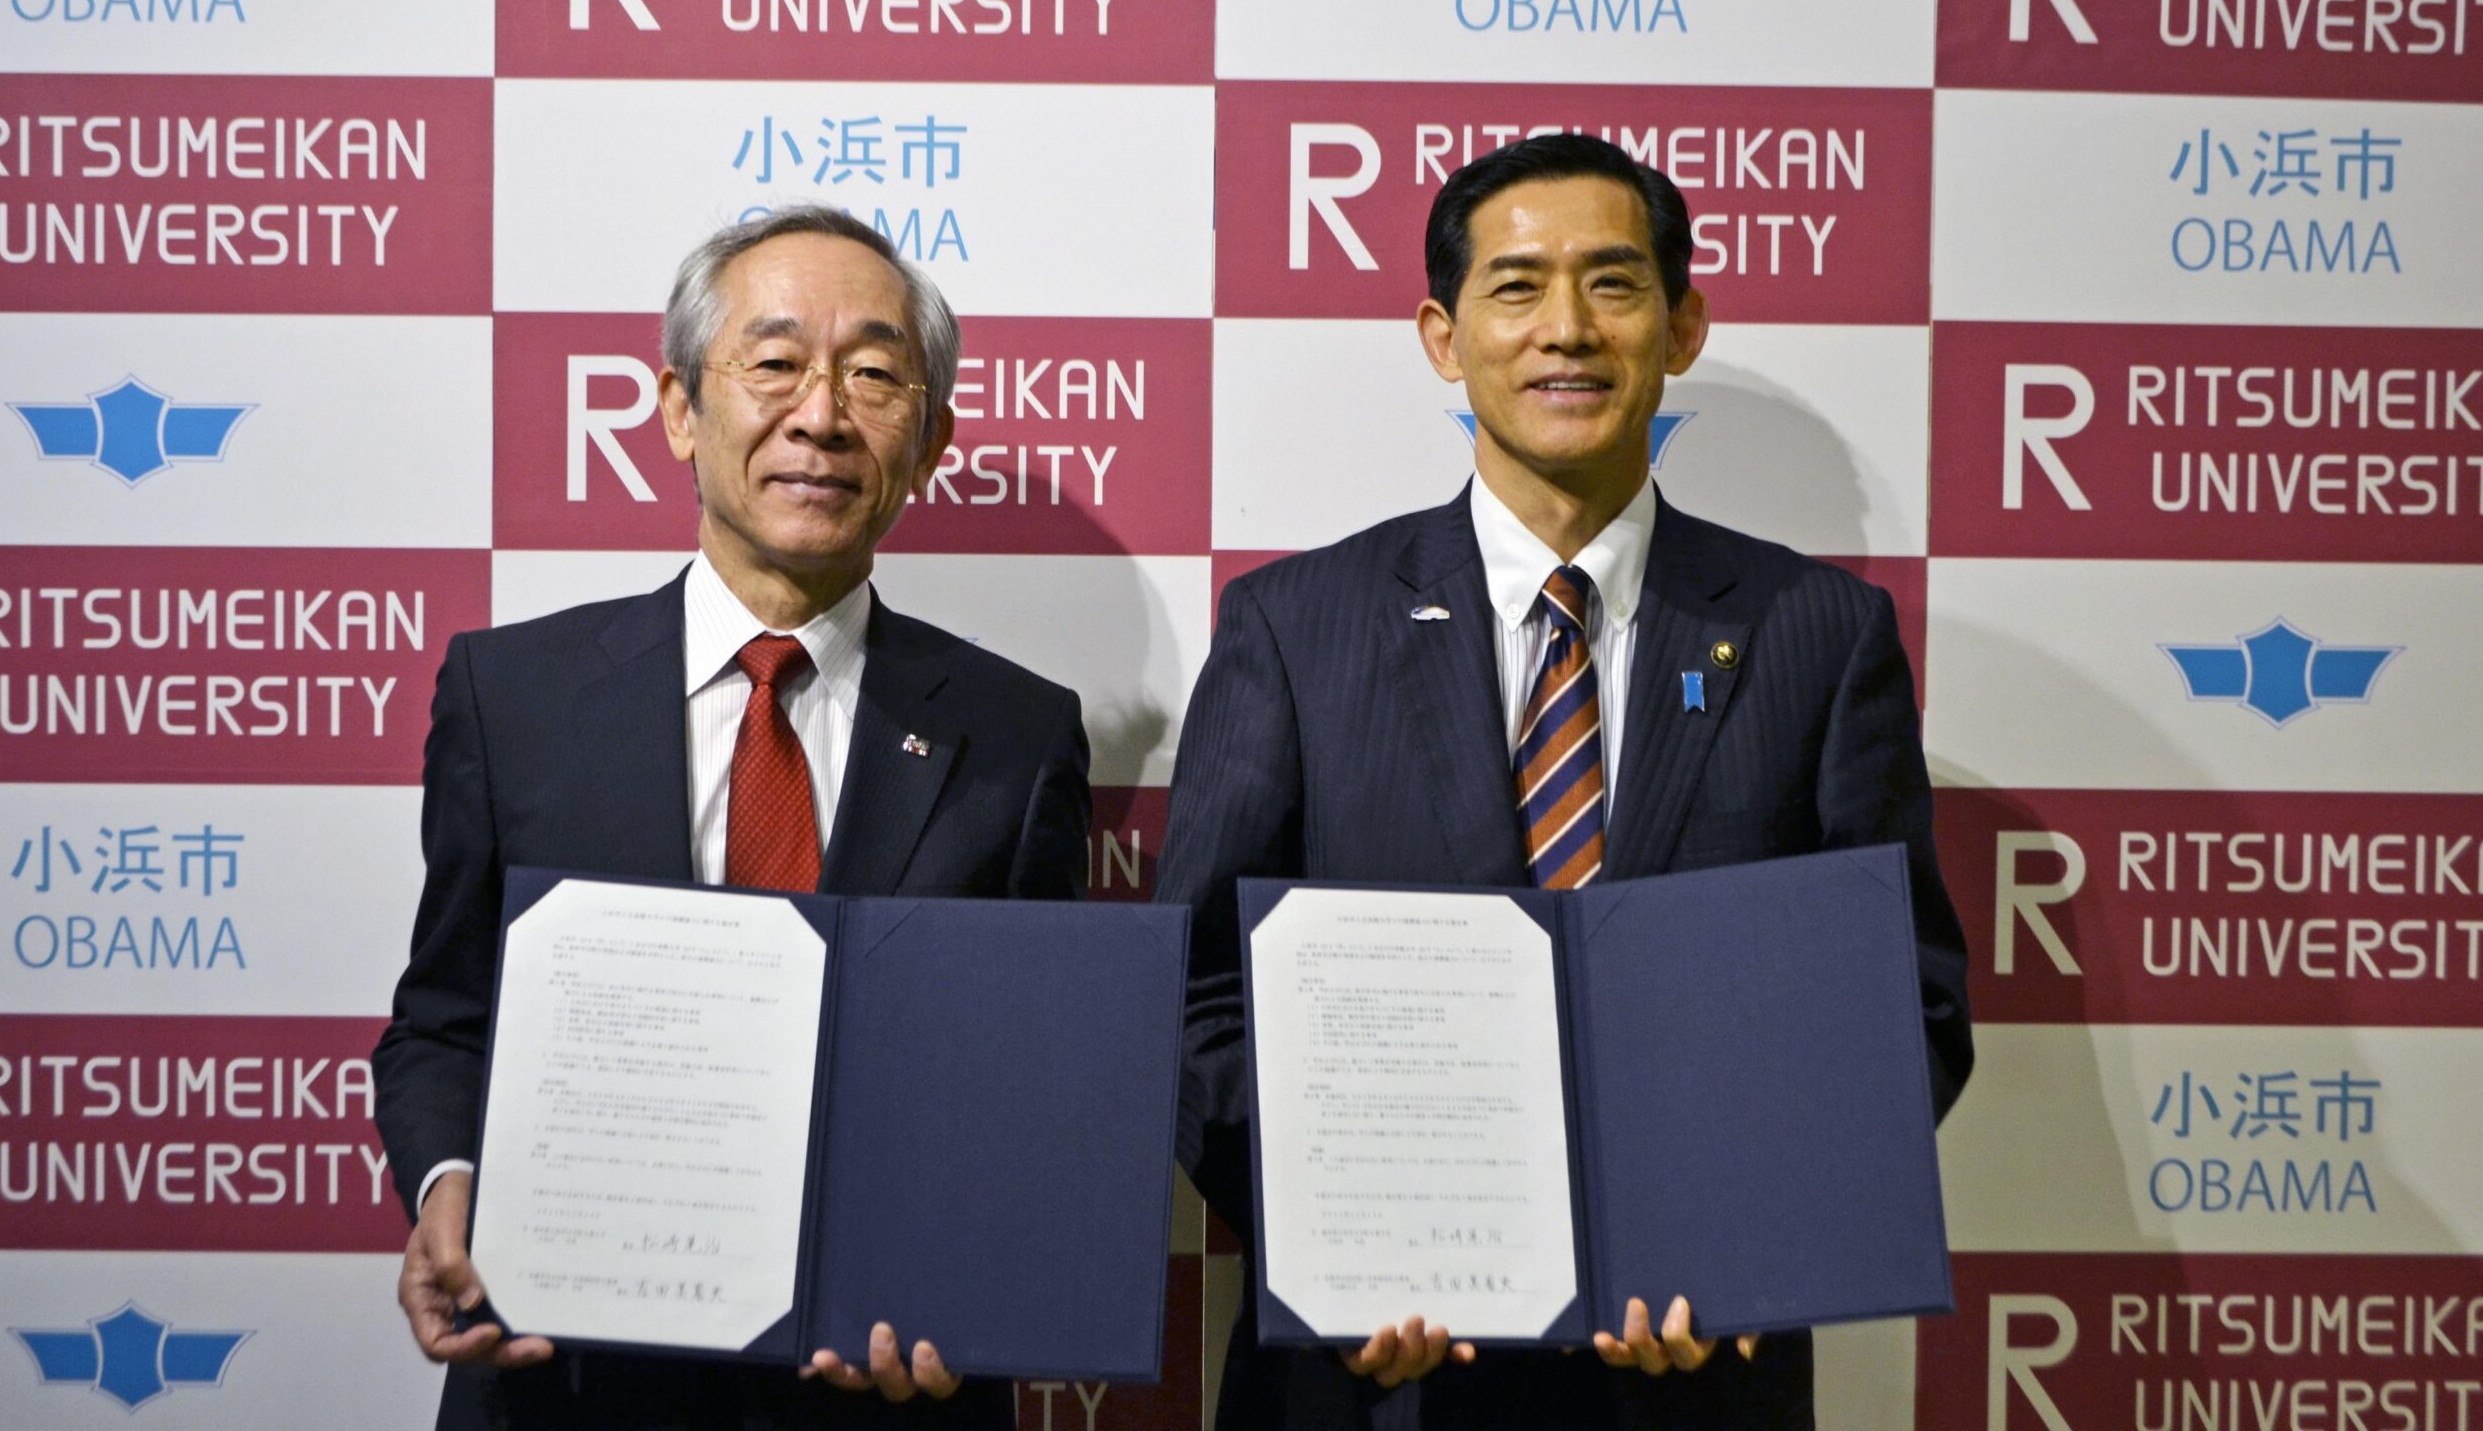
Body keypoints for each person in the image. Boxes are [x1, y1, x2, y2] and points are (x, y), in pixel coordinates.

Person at [1157, 133, 1972, 1429]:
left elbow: (1900, 1005)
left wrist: (1743, 1255)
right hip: (1372, 1382)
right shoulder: (1294, 627)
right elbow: (1194, 988)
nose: (1568, 330)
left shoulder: (1817, 633)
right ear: (1443, 332)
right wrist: (1328, 1249)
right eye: (1518, 285)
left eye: (1612, 282)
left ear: (1681, 321)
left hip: (1700, 1375)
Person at [373, 207, 1090, 1431]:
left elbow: (1028, 1091)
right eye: (772, 364)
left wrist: (969, 1301)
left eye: (873, 374)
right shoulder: (516, 697)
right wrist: (450, 1183)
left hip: (882, 1386)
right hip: (571, 1376)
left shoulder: (1018, 734)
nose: (820, 413)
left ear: (928, 442)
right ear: (678, 411)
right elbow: (443, 1020)